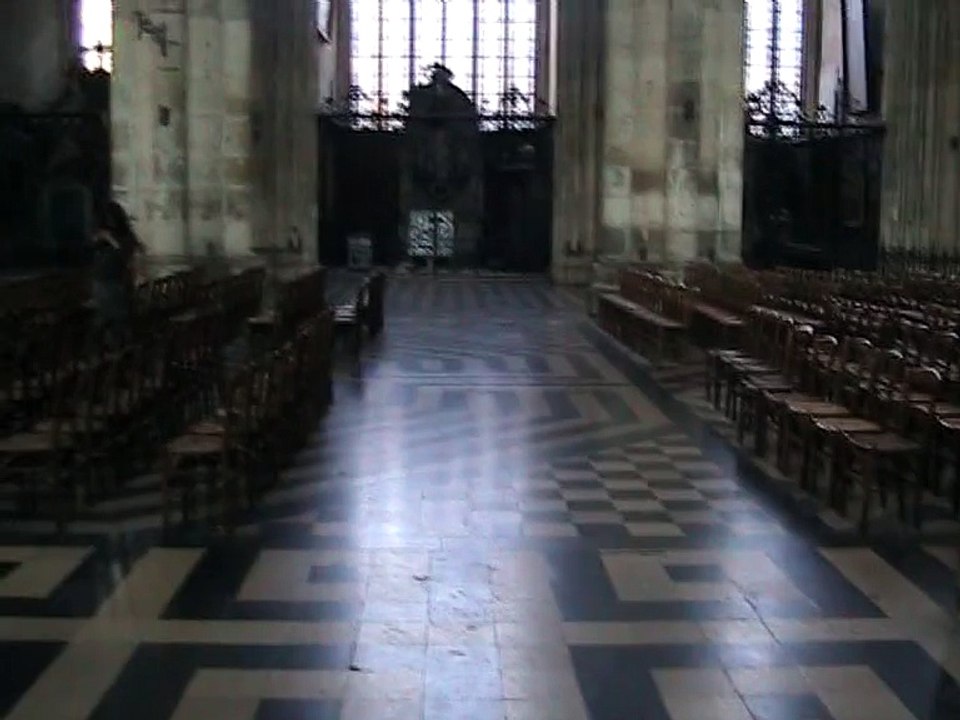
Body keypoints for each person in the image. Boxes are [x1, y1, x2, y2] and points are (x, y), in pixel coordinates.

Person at [91, 201, 143, 344]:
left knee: (119, 319)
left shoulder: (124, 236)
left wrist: (110, 238)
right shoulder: (100, 237)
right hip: (104, 281)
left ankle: (122, 348)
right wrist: (100, 238)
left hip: (115, 281)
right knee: (109, 319)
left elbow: (125, 251)